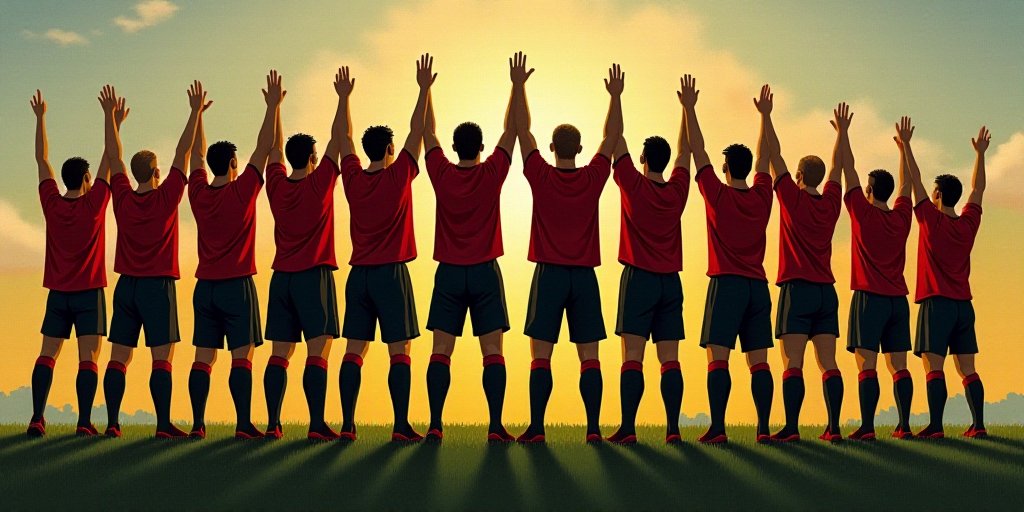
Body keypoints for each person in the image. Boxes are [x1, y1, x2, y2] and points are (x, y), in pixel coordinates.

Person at [514, 53, 623, 444]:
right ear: (579, 148)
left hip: (548, 274)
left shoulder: (539, 174)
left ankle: (537, 429)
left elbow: (521, 130)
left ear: (552, 147)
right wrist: (615, 96)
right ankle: (593, 430)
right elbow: (613, 138)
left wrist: (519, 85)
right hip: (584, 278)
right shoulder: (594, 177)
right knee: (588, 358)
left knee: (540, 357)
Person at [419, 56, 517, 442]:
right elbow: (511, 130)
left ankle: (435, 423)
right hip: (484, 272)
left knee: (440, 350)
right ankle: (495, 426)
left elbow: (427, 134)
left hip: (448, 273)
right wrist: (516, 85)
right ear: (479, 147)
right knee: (492, 350)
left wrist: (425, 89)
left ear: (455, 147)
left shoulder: (441, 172)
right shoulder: (492, 173)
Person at [336, 55, 434, 442]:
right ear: (390, 149)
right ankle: (400, 426)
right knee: (400, 351)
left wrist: (344, 99)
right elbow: (418, 131)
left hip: (358, 275)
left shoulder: (353, 179)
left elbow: (343, 139)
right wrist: (424, 89)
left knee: (353, 351)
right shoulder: (399, 175)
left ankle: (346, 424)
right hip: (391, 273)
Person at [102, 80, 204, 439]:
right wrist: (193, 113)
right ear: (157, 173)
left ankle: (112, 423)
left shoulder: (123, 199)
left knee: (119, 357)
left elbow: (114, 156)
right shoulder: (167, 198)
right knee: (162, 359)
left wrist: (111, 119)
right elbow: (184, 153)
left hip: (126, 287)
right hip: (158, 287)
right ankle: (162, 425)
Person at [261, 64, 355, 441]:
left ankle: (272, 423)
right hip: (313, 277)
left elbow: (272, 150)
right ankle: (316, 425)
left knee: (279, 355)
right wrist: (344, 98)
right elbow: (341, 138)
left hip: (280, 279)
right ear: (313, 158)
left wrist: (274, 108)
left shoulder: (276, 186)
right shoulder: (320, 183)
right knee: (318, 352)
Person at [188, 72, 282, 439]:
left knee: (203, 358)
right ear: (232, 164)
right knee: (241, 357)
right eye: (237, 161)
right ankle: (243, 424)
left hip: (205, 289)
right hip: (237, 287)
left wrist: (197, 115)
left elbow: (197, 154)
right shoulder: (242, 190)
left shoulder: (197, 193)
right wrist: (272, 107)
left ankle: (198, 424)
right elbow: (264, 147)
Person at [684, 76, 775, 444]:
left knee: (718, 358)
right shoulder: (763, 197)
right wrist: (765, 118)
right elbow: (766, 156)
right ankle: (764, 428)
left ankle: (718, 428)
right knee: (760, 362)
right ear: (748, 169)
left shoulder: (716, 195)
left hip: (726, 284)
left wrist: (689, 108)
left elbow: (697, 150)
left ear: (725, 168)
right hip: (758, 287)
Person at [755, 87, 845, 443]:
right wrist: (842, 133)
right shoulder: (832, 202)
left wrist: (766, 115)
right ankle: (834, 427)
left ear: (798, 176)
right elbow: (839, 166)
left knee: (793, 363)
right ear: (819, 178)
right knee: (829, 363)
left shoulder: (790, 197)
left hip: (797, 289)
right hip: (827, 291)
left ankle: (792, 428)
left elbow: (772, 154)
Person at [605, 79, 689, 445]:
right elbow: (687, 151)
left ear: (643, 160)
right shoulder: (678, 190)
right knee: (669, 358)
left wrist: (616, 96)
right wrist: (687, 108)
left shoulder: (632, 184)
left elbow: (613, 138)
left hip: (639, 279)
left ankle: (628, 428)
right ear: (666, 162)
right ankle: (673, 429)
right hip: (670, 282)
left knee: (633, 357)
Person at [27, 88, 114, 437]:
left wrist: (40, 117)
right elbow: (111, 157)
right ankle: (83, 422)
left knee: (47, 353)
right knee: (88, 358)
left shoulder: (52, 203)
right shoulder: (94, 206)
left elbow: (41, 160)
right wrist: (110, 117)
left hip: (58, 293)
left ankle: (37, 417)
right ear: (87, 179)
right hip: (89, 293)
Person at [905, 118, 990, 439]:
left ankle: (936, 426)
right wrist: (980, 155)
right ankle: (978, 424)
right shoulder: (968, 223)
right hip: (963, 307)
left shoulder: (929, 219)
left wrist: (907, 146)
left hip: (935, 304)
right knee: (967, 369)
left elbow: (913, 181)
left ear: (938, 195)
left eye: (933, 191)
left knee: (934, 369)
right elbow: (979, 189)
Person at [840, 106, 916, 440]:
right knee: (899, 366)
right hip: (898, 301)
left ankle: (868, 427)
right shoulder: (902, 218)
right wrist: (906, 148)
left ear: (869, 192)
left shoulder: (862, 214)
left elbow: (848, 169)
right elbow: (908, 183)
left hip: (869, 299)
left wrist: (842, 133)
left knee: (866, 365)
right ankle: (904, 425)